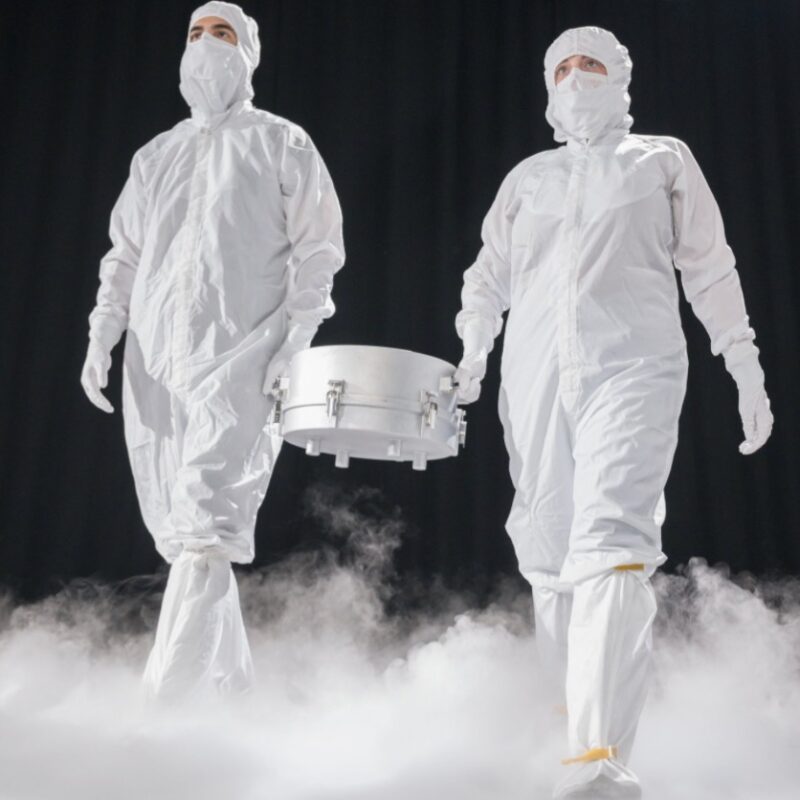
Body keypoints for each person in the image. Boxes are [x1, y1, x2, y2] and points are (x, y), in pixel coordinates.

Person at [454, 26, 772, 799]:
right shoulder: (528, 178)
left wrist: (744, 363)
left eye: (589, 62)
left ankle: (600, 759)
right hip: (533, 383)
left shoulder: (662, 159)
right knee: (553, 558)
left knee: (611, 543)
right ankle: (571, 741)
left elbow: (710, 264)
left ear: (620, 75)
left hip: (631, 369)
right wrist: (471, 355)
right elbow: (486, 278)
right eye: (559, 66)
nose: (573, 76)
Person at [80, 1, 345, 700]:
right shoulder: (157, 153)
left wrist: (296, 340)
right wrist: (104, 328)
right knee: (182, 530)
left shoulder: (281, 142)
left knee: (206, 517)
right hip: (155, 360)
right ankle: (230, 700)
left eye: (222, 33)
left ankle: (162, 708)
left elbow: (319, 251)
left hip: (244, 355)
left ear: (249, 52)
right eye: (195, 33)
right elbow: (125, 254)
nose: (205, 45)